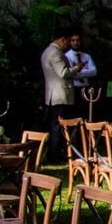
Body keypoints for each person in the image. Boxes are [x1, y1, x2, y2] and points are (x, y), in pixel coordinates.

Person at [40, 24, 78, 152]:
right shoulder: (55, 53)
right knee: (58, 125)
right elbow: (63, 73)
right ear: (62, 39)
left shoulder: (47, 51)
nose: (67, 46)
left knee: (56, 125)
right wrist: (77, 67)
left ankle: (56, 151)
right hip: (60, 95)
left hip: (53, 95)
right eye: (67, 42)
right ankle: (55, 152)